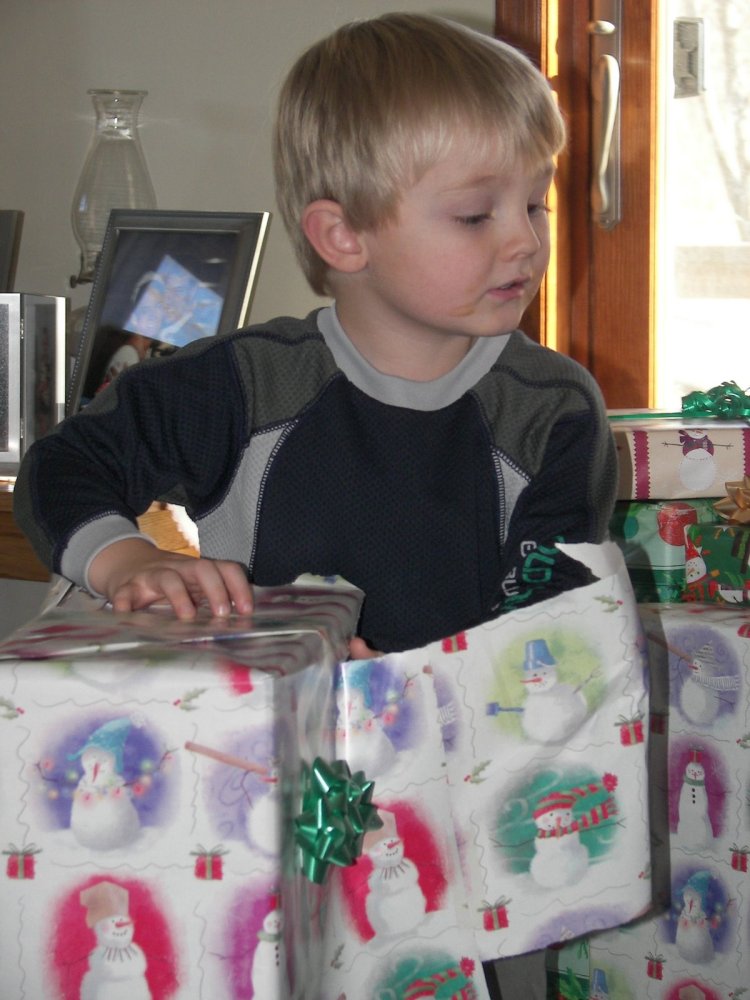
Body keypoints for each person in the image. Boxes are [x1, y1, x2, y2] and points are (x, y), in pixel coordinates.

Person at [14, 14, 617, 996]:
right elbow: (64, 463)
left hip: (468, 822)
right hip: (271, 818)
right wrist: (129, 559)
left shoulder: (552, 411)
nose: (526, 240)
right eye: (477, 214)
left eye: (538, 205)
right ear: (343, 235)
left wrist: (417, 697)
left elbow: (551, 623)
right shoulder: (245, 386)